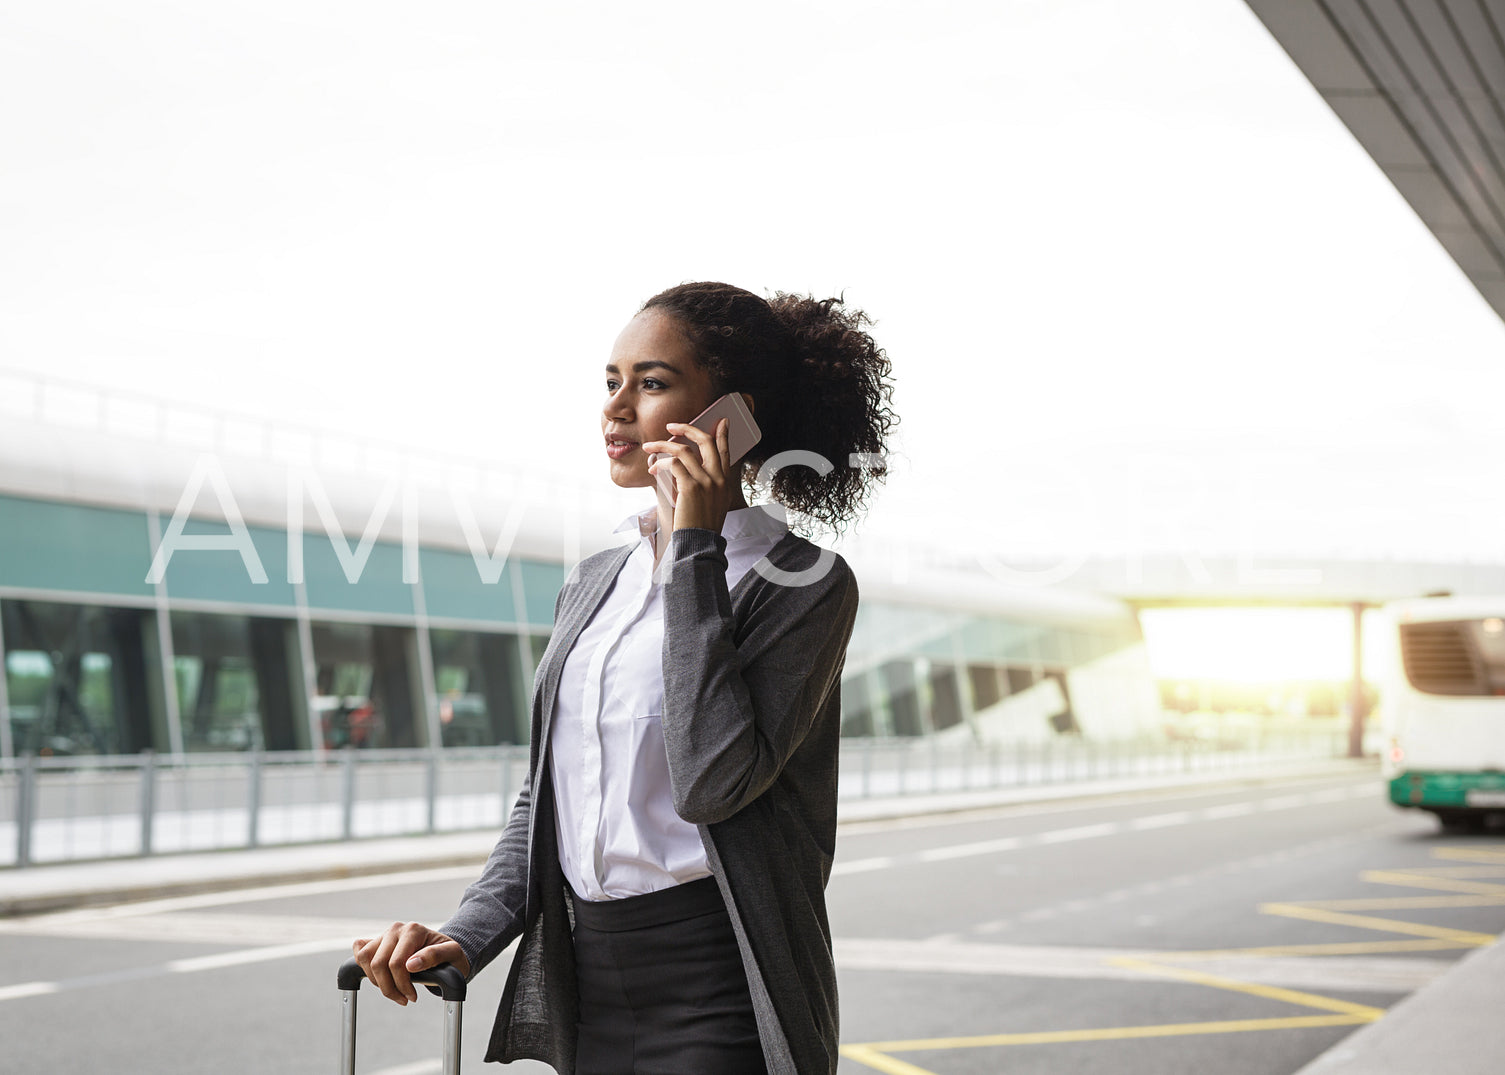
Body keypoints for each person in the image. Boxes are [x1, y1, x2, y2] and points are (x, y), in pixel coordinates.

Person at [351, 281, 897, 1074]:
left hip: (722, 983)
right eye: (611, 381)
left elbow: (711, 778)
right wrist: (465, 934)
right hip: (591, 988)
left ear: (731, 415)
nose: (615, 409)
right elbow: (547, 796)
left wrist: (693, 546)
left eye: (651, 383)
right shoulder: (592, 581)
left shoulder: (802, 582)